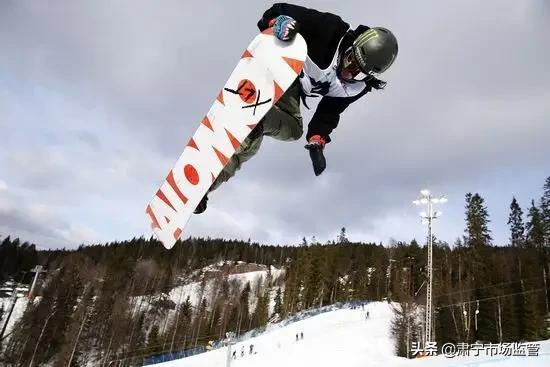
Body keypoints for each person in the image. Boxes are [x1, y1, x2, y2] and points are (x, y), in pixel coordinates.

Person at [195, 2, 398, 214]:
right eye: (349, 60)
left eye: (356, 72)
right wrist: (277, 23)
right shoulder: (331, 29)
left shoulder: (354, 88)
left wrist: (317, 139)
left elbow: (330, 111)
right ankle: (256, 108)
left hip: (290, 90)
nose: (348, 71)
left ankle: (206, 185)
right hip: (277, 66)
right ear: (351, 45)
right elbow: (279, 9)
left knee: (293, 131)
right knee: (257, 138)